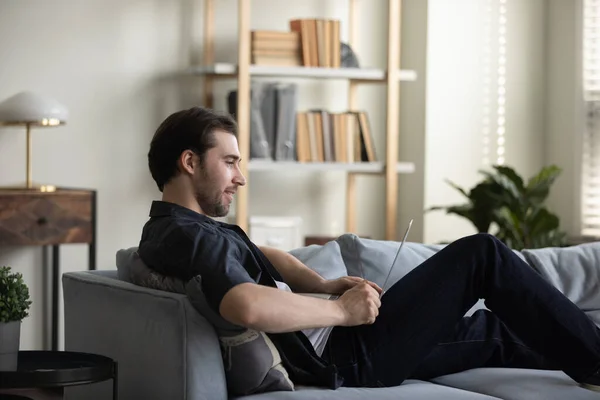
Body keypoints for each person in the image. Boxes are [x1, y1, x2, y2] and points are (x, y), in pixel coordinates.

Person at [138, 106, 600, 391]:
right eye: (231, 162)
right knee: (482, 254)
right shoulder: (188, 234)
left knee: (491, 331)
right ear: (190, 161)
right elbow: (248, 306)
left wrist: (321, 283)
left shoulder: (182, 228)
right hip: (346, 353)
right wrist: (342, 310)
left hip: (346, 347)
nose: (240, 177)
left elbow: (266, 256)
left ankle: (587, 361)